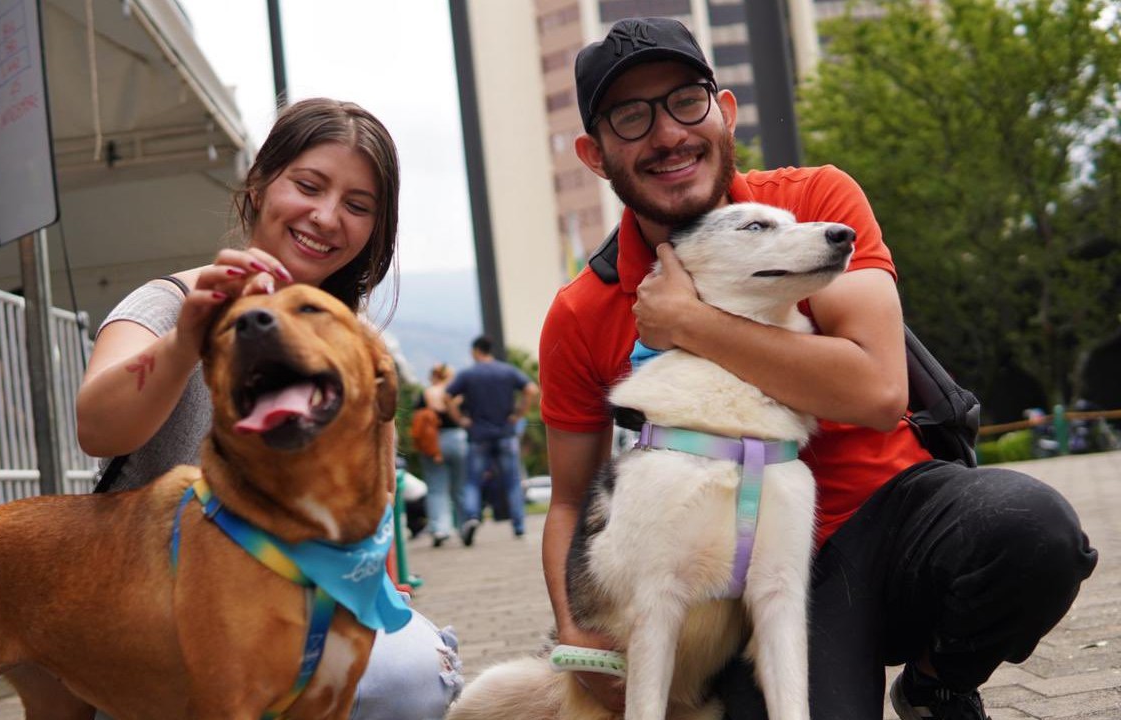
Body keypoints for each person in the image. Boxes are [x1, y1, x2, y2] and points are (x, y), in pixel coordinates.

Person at [537, 17, 1097, 720]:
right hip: (743, 596)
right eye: (631, 116)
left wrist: (691, 324)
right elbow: (569, 501)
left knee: (1031, 530)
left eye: (685, 100)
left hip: (891, 513)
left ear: (724, 111)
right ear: (594, 154)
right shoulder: (581, 311)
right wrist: (577, 635)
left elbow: (877, 390)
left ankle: (935, 684)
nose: (668, 133)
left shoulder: (816, 204)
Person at [76, 97, 462, 719]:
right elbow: (97, 429)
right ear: (258, 185)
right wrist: (186, 340)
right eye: (308, 186)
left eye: (357, 205)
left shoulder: (354, 344)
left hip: (309, 600)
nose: (326, 217)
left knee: (413, 675)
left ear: (375, 229)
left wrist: (377, 593)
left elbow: (374, 500)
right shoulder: (171, 304)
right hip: (163, 602)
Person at [445, 336, 540, 546]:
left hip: (478, 435)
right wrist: (518, 414)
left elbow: (447, 396)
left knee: (472, 481)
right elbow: (531, 389)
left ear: (475, 351)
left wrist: (460, 419)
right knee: (512, 481)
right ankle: (519, 525)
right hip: (506, 433)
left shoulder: (468, 374)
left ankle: (472, 517)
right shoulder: (507, 371)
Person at [413, 363, 469, 547]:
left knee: (436, 488)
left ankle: (440, 529)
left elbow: (418, 417)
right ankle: (465, 525)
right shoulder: (458, 393)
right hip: (458, 439)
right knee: (461, 486)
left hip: (434, 441)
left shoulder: (426, 393)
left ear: (433, 376)